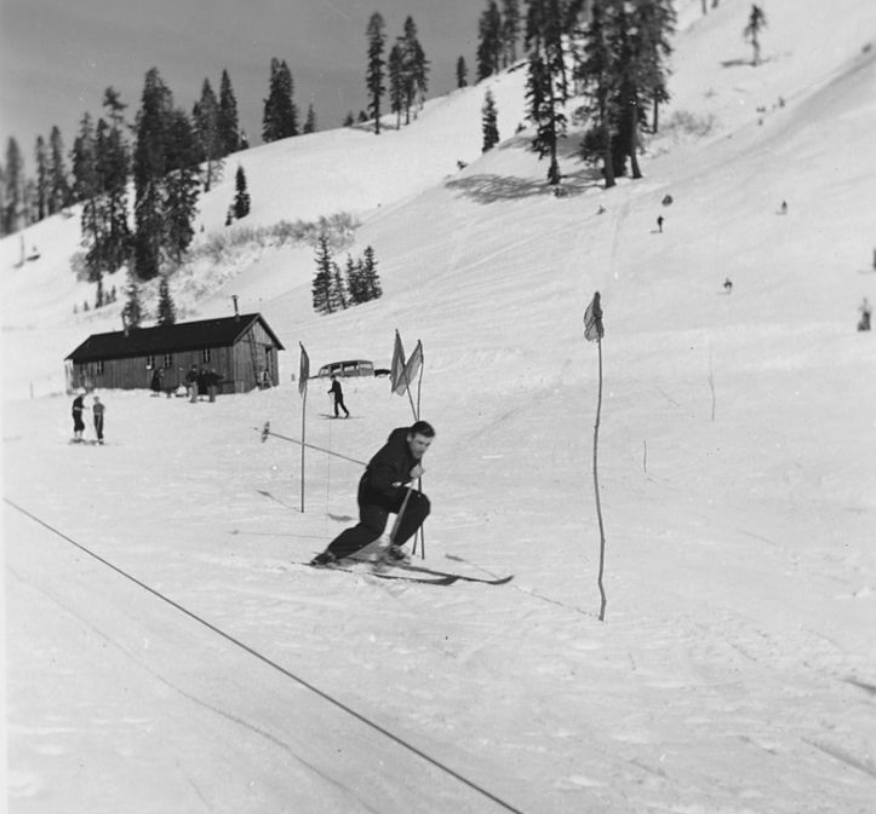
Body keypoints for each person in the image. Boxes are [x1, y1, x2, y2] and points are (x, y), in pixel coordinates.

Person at [311, 421, 435, 566]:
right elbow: (378, 483)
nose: (423, 448)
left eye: (427, 444)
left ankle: (393, 548)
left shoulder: (410, 444)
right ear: (409, 438)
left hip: (392, 490)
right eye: (420, 443)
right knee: (372, 529)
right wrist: (408, 476)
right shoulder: (392, 454)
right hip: (372, 492)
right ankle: (330, 554)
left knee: (420, 503)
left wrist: (408, 474)